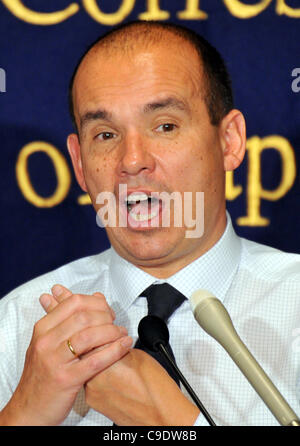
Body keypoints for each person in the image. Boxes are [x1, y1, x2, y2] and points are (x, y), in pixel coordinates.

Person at [0, 20, 300, 427]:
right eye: (105, 135)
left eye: (165, 126)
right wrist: (24, 413)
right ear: (79, 164)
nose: (131, 160)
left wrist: (173, 421)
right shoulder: (18, 324)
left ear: (229, 141)